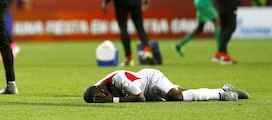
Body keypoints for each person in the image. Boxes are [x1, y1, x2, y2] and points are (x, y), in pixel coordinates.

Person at [83, 68, 249, 103]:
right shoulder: (96, 89)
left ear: (102, 89)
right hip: (140, 89)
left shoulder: (118, 79)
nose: (100, 99)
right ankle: (225, 89)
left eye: (100, 96)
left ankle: (222, 95)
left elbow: (140, 99)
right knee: (180, 93)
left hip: (150, 79)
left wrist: (113, 101)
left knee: (176, 97)